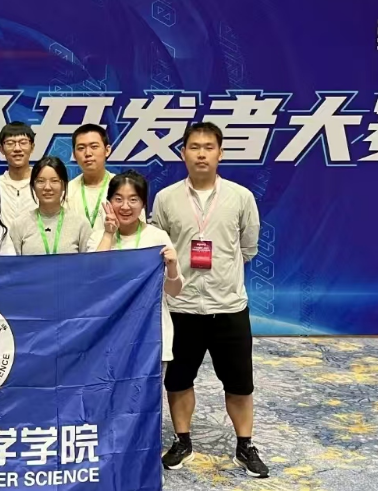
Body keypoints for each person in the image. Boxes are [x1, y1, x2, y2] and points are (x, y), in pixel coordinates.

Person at [150, 122, 267, 478]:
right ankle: (182, 440)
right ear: (182, 153)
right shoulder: (166, 198)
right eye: (194, 147)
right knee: (178, 380)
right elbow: (158, 246)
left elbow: (248, 247)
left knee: (240, 383)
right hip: (182, 307)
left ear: (220, 153)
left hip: (228, 307)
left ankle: (244, 445)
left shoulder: (241, 197)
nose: (201, 154)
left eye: (209, 147)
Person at [91, 171, 184, 361]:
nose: (125, 206)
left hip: (150, 335)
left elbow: (174, 292)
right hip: (109, 335)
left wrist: (173, 267)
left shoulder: (157, 237)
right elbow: (94, 280)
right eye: (118, 199)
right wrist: (108, 235)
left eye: (133, 199)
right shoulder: (98, 237)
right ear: (109, 202)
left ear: (143, 204)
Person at [66, 124, 145, 236]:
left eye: (94, 146)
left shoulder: (124, 187)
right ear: (74, 155)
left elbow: (141, 231)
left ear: (107, 150)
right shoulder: (67, 191)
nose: (88, 153)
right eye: (81, 148)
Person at [9, 156, 92, 255]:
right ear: (33, 186)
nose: (47, 187)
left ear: (64, 185)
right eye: (41, 181)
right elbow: (14, 263)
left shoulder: (80, 224)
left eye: (54, 181)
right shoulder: (19, 225)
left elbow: (87, 263)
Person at [0, 122, 38, 226]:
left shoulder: (42, 183)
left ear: (32, 147)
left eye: (23, 142)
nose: (17, 149)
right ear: (1, 149)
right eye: (10, 143)